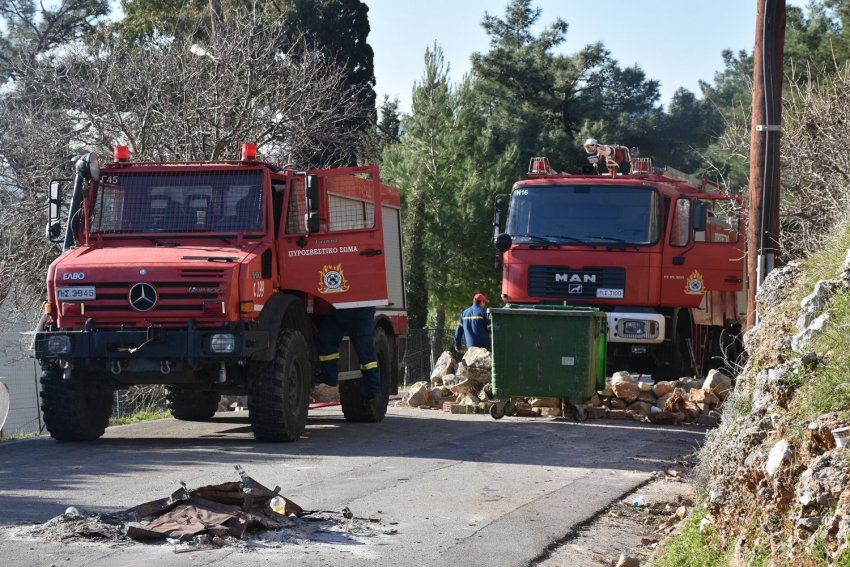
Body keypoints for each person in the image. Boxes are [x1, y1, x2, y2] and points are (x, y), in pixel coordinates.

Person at [316, 305, 383, 416]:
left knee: (366, 356)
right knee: (327, 341)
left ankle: (372, 393)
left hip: (357, 312)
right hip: (344, 310)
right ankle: (330, 382)